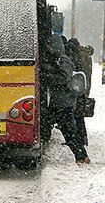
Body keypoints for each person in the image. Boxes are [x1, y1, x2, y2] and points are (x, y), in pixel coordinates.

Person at [44, 34, 90, 164]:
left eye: (50, 45)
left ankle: (82, 156)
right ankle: (81, 155)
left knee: (70, 132)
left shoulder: (63, 59)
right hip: (58, 103)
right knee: (68, 131)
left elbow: (65, 77)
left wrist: (47, 77)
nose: (48, 47)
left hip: (64, 104)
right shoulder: (56, 58)